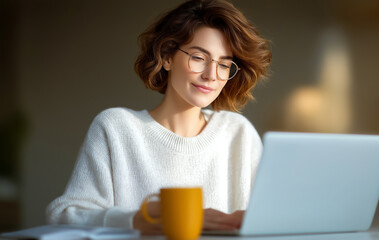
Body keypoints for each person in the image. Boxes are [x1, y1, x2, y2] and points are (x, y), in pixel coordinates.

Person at [46, 0, 271, 235]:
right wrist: (142, 219)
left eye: (224, 64)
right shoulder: (116, 127)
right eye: (198, 58)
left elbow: (269, 218)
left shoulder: (238, 133)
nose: (211, 75)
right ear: (167, 56)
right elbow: (64, 215)